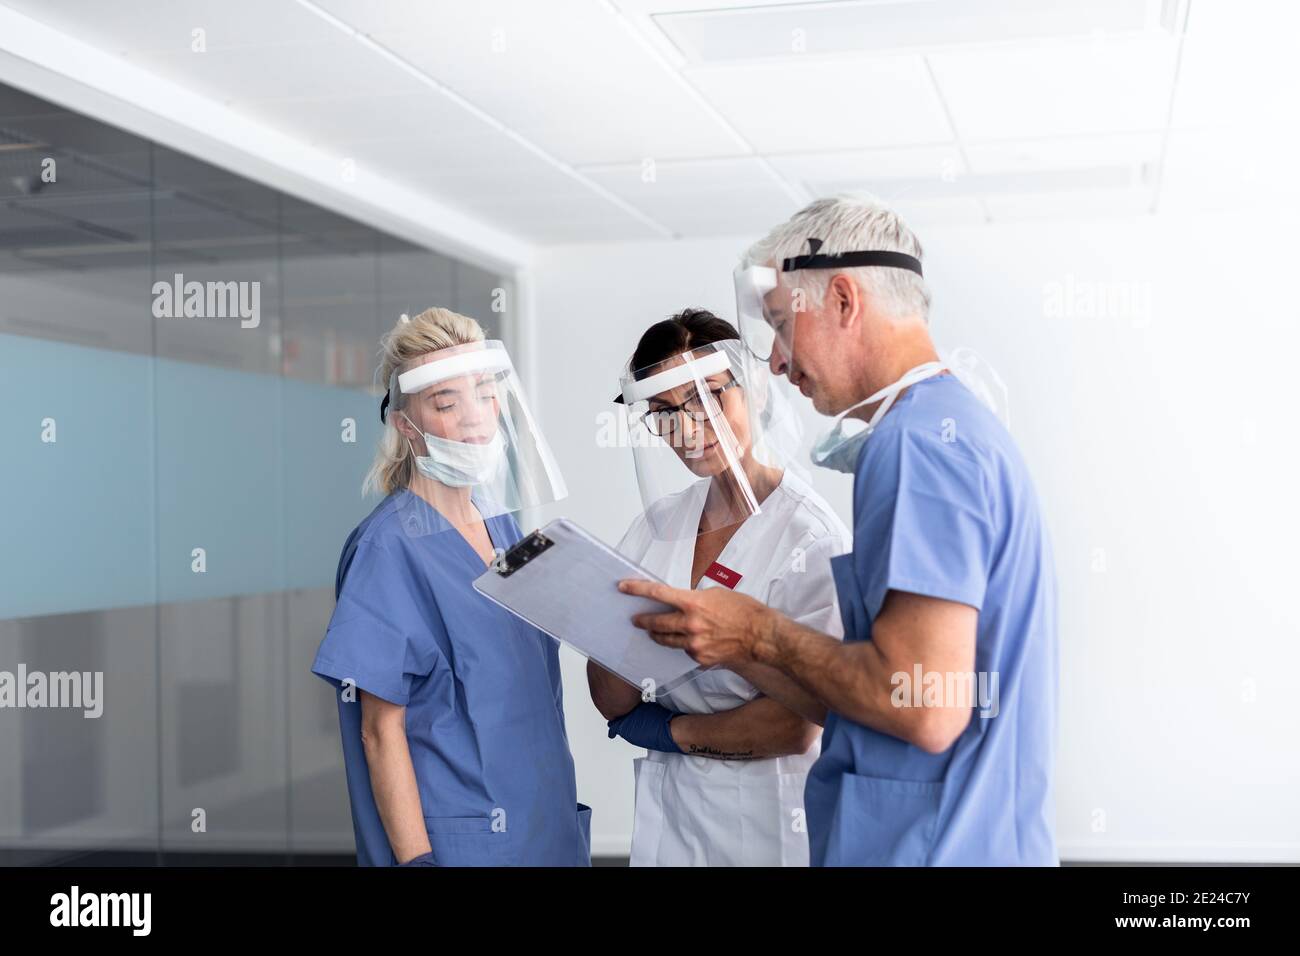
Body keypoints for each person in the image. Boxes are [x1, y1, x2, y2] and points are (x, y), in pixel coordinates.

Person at [620, 195, 1059, 866]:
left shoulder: (920, 446)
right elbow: (872, 694)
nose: (772, 361)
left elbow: (922, 704)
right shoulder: (941, 429)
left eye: (778, 325)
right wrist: (740, 646)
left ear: (845, 301)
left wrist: (760, 632)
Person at [312, 307, 590, 867]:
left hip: (544, 826)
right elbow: (378, 732)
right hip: (462, 844)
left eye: (485, 393)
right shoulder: (387, 549)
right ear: (404, 426)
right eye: (445, 403)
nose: (475, 419)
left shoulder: (503, 525)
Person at [589, 309, 849, 866]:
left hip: (770, 818)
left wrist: (666, 731)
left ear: (751, 388)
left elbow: (796, 723)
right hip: (673, 815)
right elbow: (612, 699)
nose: (686, 428)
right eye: (663, 412)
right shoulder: (659, 525)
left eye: (706, 399)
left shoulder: (809, 536)